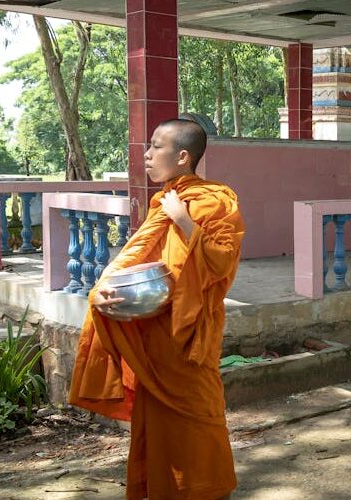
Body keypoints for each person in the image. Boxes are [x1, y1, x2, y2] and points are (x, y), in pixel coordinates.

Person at [69, 119, 245, 500]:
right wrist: (100, 291)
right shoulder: (164, 202)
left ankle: (209, 492)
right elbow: (136, 256)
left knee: (200, 423)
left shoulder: (212, 201)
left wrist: (184, 220)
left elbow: (222, 263)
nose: (146, 155)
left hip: (191, 339)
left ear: (183, 157)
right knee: (160, 427)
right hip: (157, 336)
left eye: (155, 147)